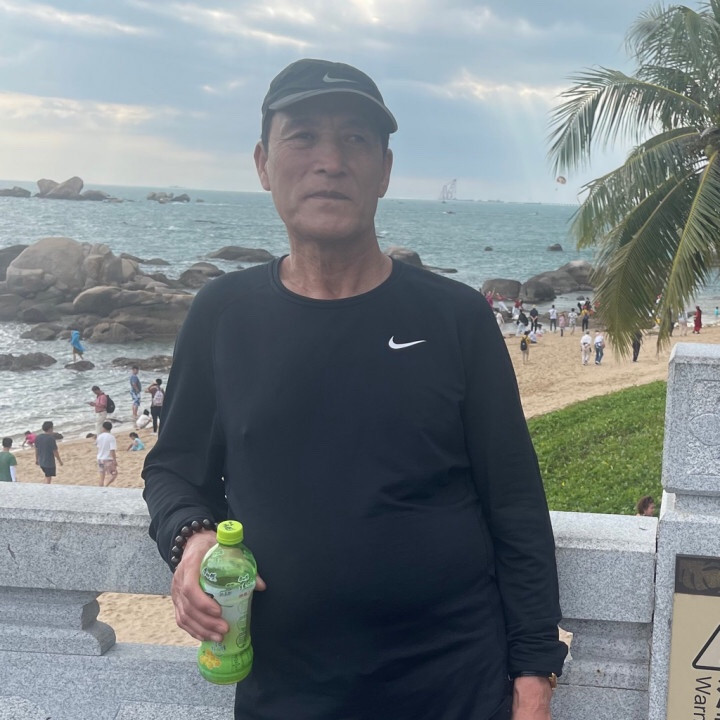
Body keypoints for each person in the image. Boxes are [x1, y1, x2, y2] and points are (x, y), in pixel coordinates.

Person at [143, 58, 566, 720]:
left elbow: (514, 502)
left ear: (385, 170)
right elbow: (173, 468)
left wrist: (535, 674)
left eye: (355, 140)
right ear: (262, 163)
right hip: (287, 693)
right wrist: (192, 537)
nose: (330, 162)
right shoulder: (223, 315)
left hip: (456, 687)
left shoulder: (456, 317)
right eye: (303, 136)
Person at [96, 421, 118, 487]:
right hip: (108, 459)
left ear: (103, 428)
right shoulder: (111, 437)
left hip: (100, 458)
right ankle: (106, 485)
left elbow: (98, 447)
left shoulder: (99, 437)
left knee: (101, 476)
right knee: (114, 474)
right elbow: (112, 450)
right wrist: (114, 460)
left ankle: (101, 488)